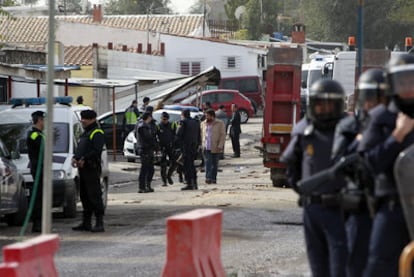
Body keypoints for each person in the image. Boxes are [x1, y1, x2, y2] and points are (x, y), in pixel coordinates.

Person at [281, 79, 347, 277]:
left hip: (340, 209)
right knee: (317, 266)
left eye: (329, 104)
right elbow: (292, 167)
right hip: (312, 209)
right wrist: (302, 190)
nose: (324, 109)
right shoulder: (304, 131)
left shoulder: (348, 130)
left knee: (340, 266)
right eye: (319, 104)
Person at [359, 54, 414, 277]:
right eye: (401, 82)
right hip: (391, 208)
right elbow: (369, 163)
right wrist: (397, 135)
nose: (408, 88)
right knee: (380, 267)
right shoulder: (380, 118)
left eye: (411, 81)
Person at [331, 69, 387, 277]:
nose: (375, 103)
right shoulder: (349, 126)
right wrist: (361, 143)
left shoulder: (395, 124)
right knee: (354, 264)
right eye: (371, 97)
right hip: (360, 205)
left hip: (391, 203)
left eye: (381, 98)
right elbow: (338, 161)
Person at [72, 109, 106, 232]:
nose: (82, 121)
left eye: (84, 118)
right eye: (82, 118)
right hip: (83, 169)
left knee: (94, 195)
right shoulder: (86, 132)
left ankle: (99, 223)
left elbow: (96, 151)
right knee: (85, 196)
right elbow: (81, 148)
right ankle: (86, 223)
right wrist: (75, 158)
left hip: (92, 168)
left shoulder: (97, 132)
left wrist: (84, 159)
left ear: (92, 119)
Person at [26, 110, 46, 233]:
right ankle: (37, 223)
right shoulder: (34, 135)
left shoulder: (40, 134)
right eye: (43, 120)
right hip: (38, 170)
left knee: (42, 196)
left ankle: (40, 222)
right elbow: (41, 150)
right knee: (38, 197)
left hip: (42, 169)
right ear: (39, 120)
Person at [177, 109, 201, 190]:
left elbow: (178, 133)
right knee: (192, 165)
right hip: (194, 147)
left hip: (186, 147)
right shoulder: (196, 122)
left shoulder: (183, 122)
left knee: (187, 166)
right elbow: (199, 135)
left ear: (183, 115)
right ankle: (194, 182)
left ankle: (189, 183)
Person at [200, 109, 226, 184]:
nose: (206, 117)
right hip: (206, 146)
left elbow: (222, 135)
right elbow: (201, 134)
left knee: (214, 164)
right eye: (205, 116)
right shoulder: (203, 123)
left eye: (207, 116)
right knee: (207, 162)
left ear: (212, 116)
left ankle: (213, 178)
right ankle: (208, 177)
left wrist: (220, 145)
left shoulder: (220, 123)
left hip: (215, 146)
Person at [136, 112, 157, 193]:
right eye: (150, 117)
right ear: (148, 117)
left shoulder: (147, 125)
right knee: (144, 169)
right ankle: (142, 187)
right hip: (144, 149)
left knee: (150, 168)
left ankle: (148, 185)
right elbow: (148, 137)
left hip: (148, 149)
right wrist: (154, 144)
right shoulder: (142, 126)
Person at [157, 111, 178, 186]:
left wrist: (175, 144)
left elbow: (176, 135)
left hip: (171, 146)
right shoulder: (158, 126)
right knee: (163, 165)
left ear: (168, 119)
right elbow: (155, 136)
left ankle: (169, 175)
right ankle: (164, 181)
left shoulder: (172, 125)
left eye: (165, 119)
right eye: (163, 119)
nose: (164, 120)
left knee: (175, 163)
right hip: (162, 147)